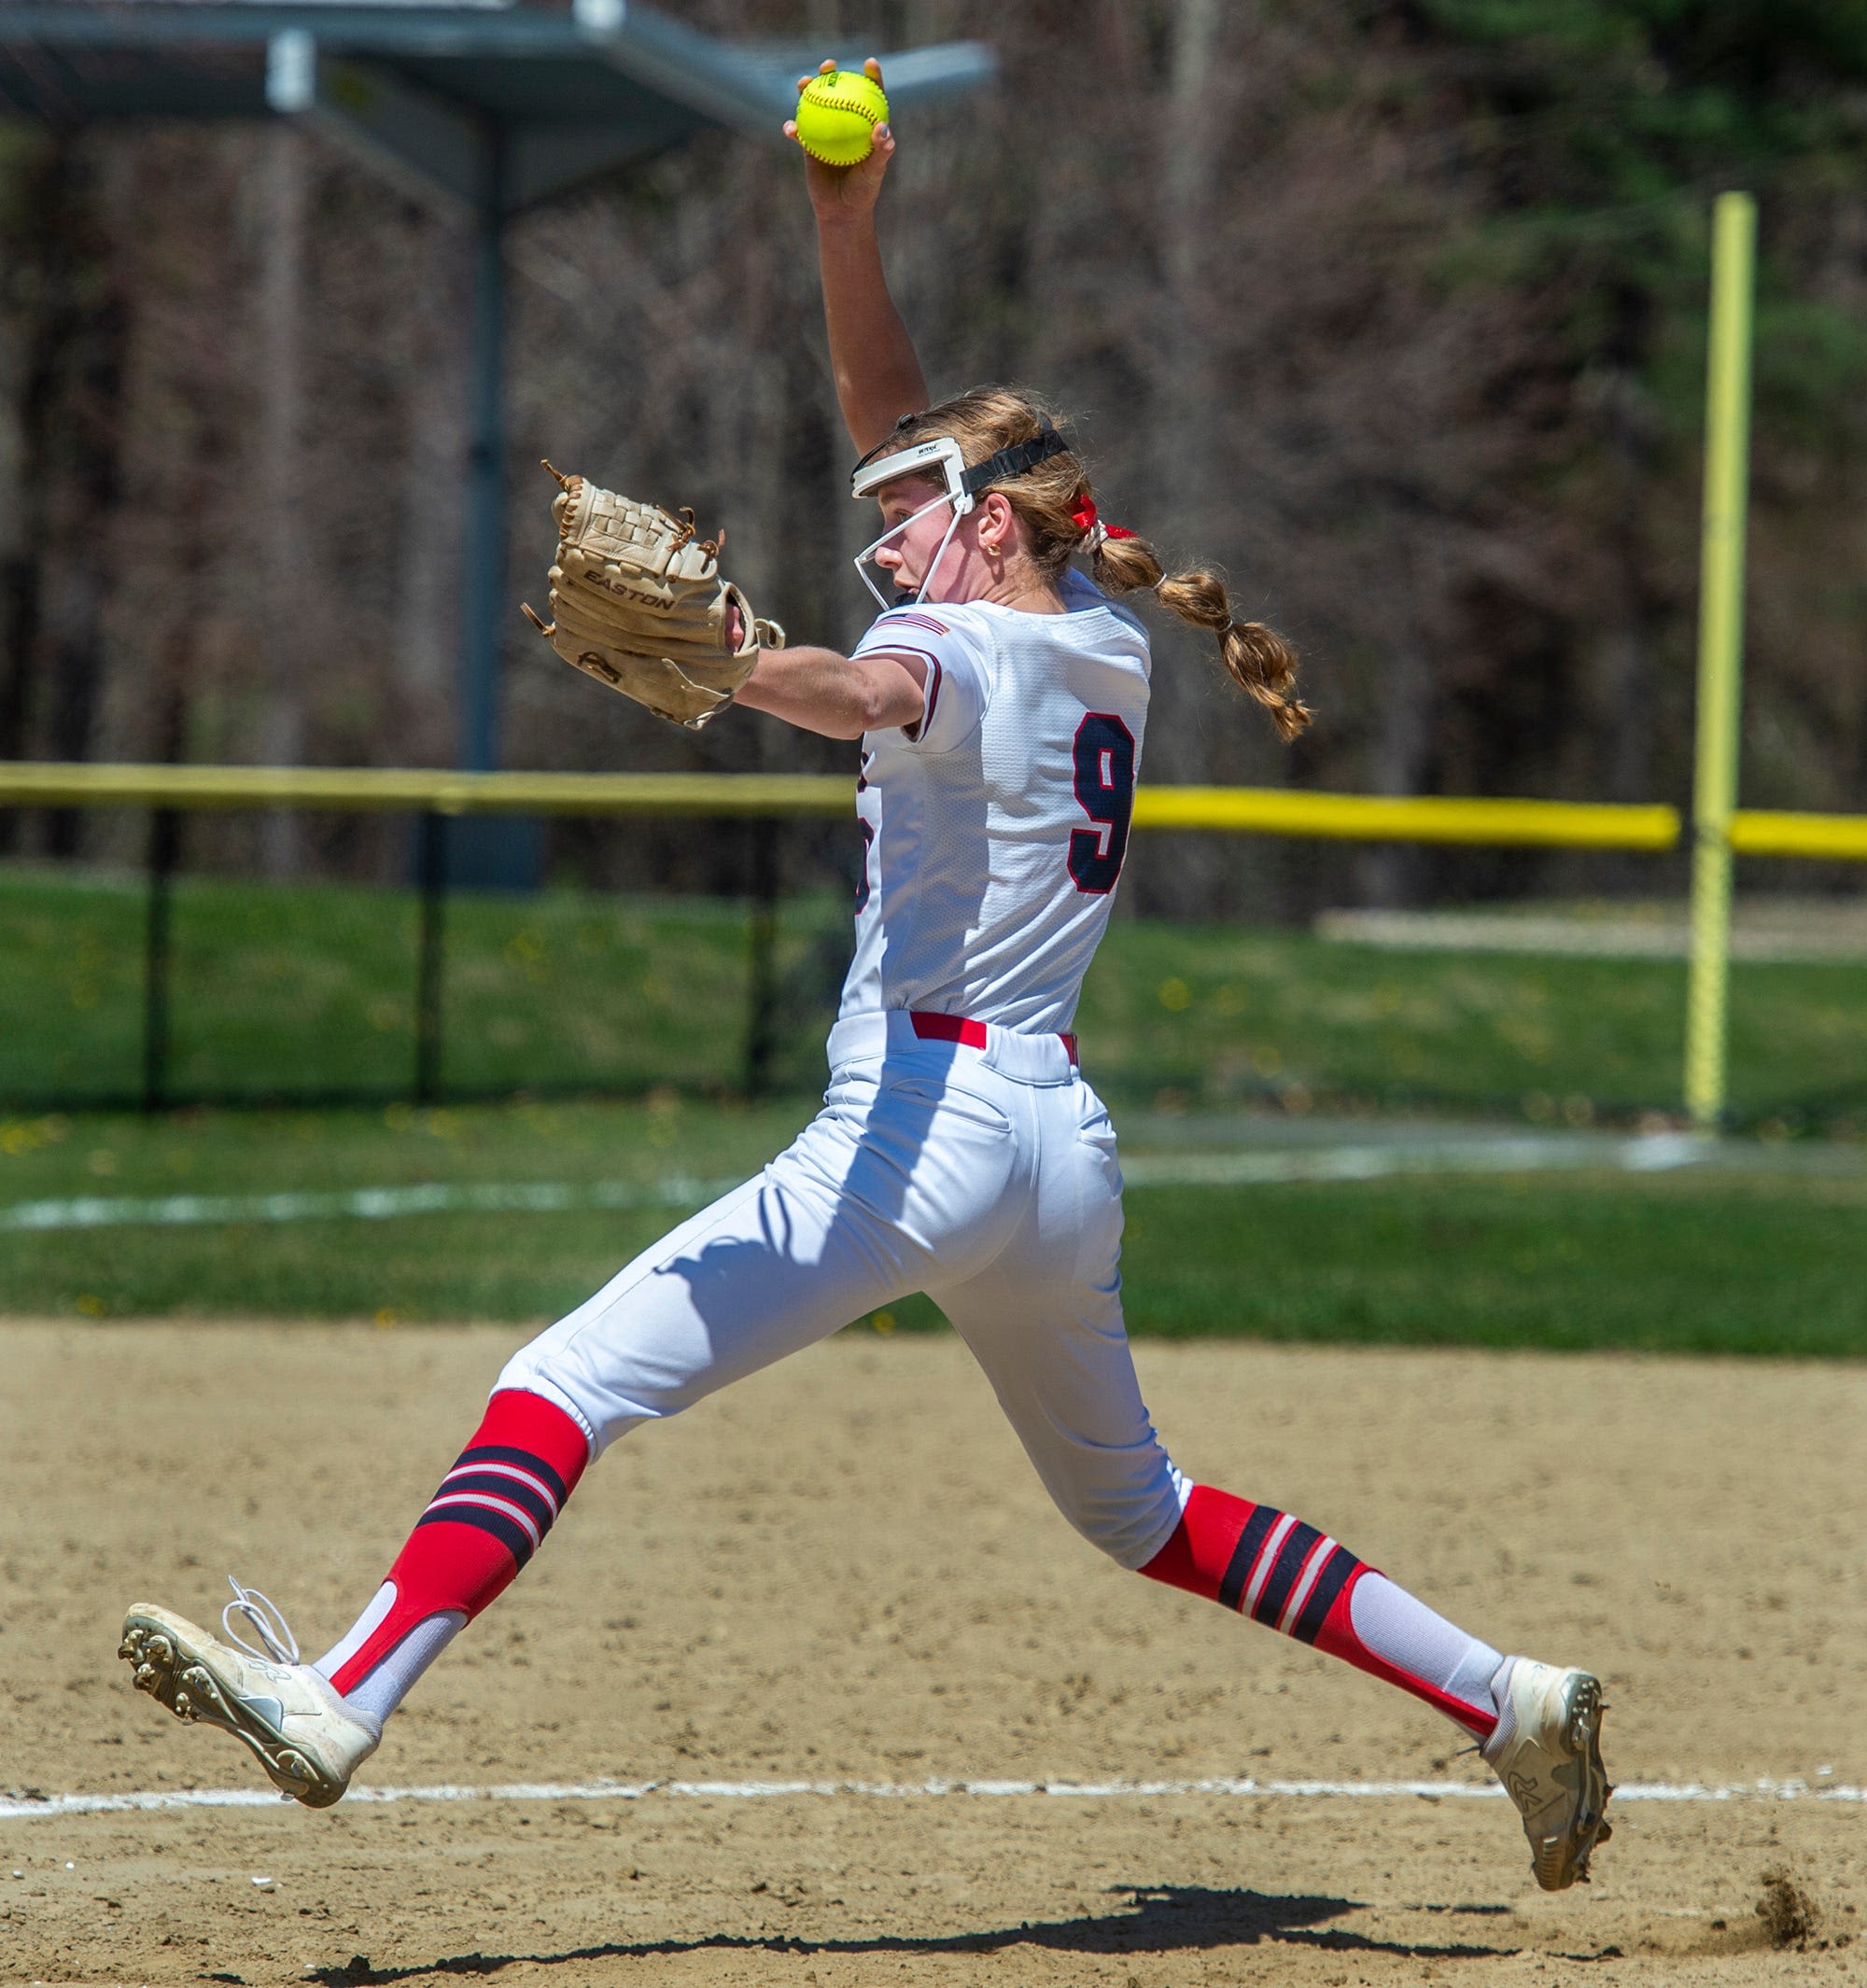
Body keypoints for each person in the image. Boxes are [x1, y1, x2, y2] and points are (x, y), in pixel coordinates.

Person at [120, 61, 1612, 1894]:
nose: (881, 533)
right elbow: (891, 429)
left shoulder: (951, 648)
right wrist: (846, 221)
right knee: (1142, 1512)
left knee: (566, 1381)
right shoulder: (1102, 645)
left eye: (908, 514)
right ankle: (1510, 1696)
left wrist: (743, 656)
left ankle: (347, 1693)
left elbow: (869, 683)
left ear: (989, 516)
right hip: (1054, 1149)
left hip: (922, 1129)